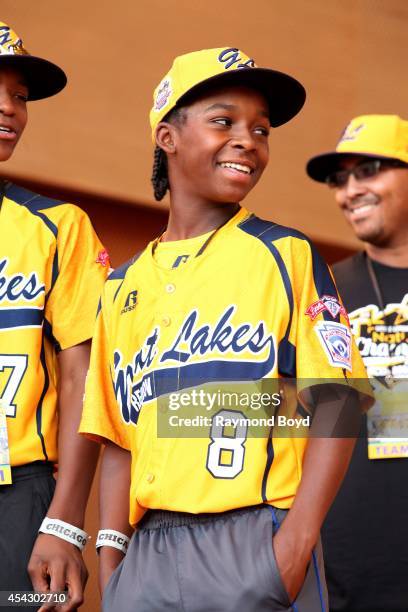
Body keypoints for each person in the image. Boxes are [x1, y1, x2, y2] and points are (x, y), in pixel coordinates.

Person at [80, 48, 371, 612]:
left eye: (260, 130)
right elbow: (117, 437)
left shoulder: (283, 252)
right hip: (148, 553)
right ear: (167, 136)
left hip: (255, 538)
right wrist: (112, 559)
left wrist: (295, 542)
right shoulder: (120, 285)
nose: (248, 140)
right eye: (223, 121)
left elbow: (338, 397)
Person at [0, 21, 109, 611]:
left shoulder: (57, 226)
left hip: (19, 492)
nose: (9, 107)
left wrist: (64, 522)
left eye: (19, 94)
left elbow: (81, 379)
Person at [306, 114, 408, 612]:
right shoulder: (326, 292)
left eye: (368, 169)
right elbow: (292, 417)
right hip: (349, 561)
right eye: (338, 179)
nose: (350, 190)